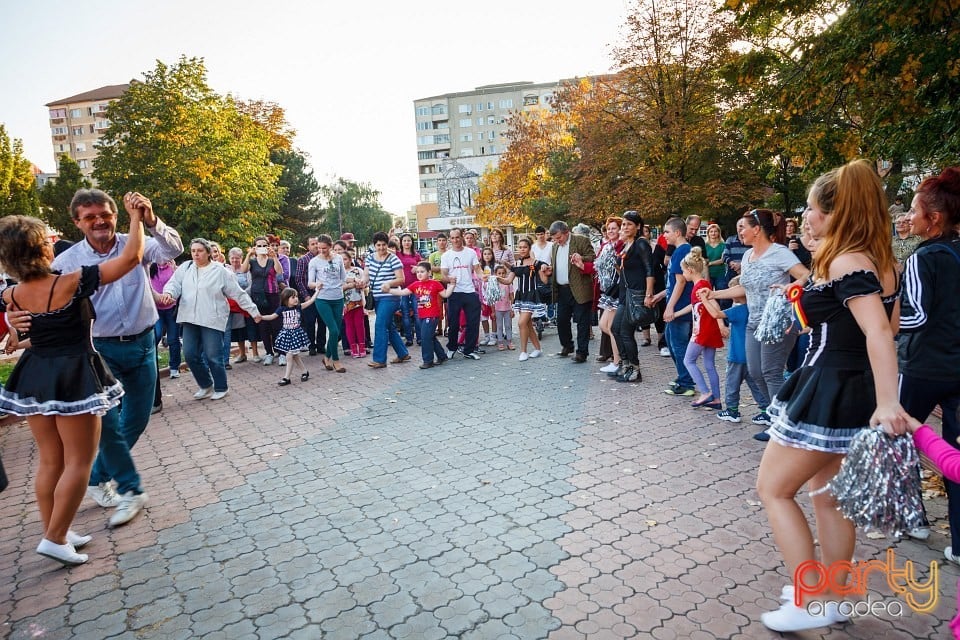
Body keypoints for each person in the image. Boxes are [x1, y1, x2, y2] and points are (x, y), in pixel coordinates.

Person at [755, 159, 909, 633]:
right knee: (829, 498)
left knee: (774, 490)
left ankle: (808, 598)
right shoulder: (881, 261)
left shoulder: (847, 261)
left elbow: (880, 333)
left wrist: (889, 403)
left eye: (810, 208)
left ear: (834, 212)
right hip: (849, 387)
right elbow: (892, 325)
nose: (804, 215)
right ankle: (833, 597)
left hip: (830, 386)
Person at [0, 205, 145, 565]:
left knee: (51, 461)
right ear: (42, 249)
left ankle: (57, 530)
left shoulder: (12, 295)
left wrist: (8, 315)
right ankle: (53, 538)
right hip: (75, 374)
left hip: (36, 374)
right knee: (80, 461)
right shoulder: (71, 281)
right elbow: (131, 259)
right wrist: (136, 217)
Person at [44, 189, 183, 528]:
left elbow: (173, 249)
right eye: (89, 217)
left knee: (137, 418)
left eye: (104, 214)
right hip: (101, 350)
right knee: (108, 425)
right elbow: (45, 300)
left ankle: (96, 476)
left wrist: (149, 219)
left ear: (115, 216)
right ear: (77, 222)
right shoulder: (67, 262)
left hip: (144, 343)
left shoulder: (134, 241)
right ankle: (130, 489)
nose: (99, 222)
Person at [898, 166, 960, 561]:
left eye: (916, 211)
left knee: (900, 439)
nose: (910, 218)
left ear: (933, 219)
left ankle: (913, 518)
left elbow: (916, 316)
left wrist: (876, 321)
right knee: (954, 450)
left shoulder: (924, 258)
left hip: (921, 368)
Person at [708, 209, 810, 439]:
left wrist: (791, 287)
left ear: (757, 229)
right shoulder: (747, 256)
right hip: (754, 323)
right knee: (754, 371)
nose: (739, 232)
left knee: (771, 371)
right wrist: (715, 294)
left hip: (777, 322)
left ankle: (779, 423)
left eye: (743, 227)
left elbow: (806, 275)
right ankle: (782, 412)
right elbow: (744, 288)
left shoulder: (779, 253)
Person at [159, 239, 261, 401]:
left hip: (212, 318)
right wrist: (169, 294)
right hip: (189, 318)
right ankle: (206, 385)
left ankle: (221, 387)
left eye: (199, 250)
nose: (196, 254)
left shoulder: (220, 271)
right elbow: (174, 284)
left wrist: (253, 311)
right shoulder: (186, 268)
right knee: (190, 354)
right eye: (193, 251)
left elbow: (237, 293)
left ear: (208, 252)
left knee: (213, 355)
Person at [698, 276, 769, 423]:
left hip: (736, 355)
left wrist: (705, 300)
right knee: (756, 384)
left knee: (731, 384)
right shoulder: (756, 308)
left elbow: (716, 314)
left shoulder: (738, 311)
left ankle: (732, 411)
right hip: (753, 355)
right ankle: (766, 410)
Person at [611, 211, 655, 383]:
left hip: (637, 294)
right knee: (616, 329)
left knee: (625, 332)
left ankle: (635, 368)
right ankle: (625, 363)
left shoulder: (641, 244)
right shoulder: (625, 246)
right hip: (625, 293)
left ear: (638, 226)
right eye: (623, 224)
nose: (625, 227)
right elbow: (622, 271)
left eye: (629, 224)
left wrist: (648, 294)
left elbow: (649, 270)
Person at [388, 261, 455, 368]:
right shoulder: (415, 284)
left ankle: (428, 360)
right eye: (418, 272)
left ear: (429, 272)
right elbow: (403, 292)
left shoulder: (435, 283)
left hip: (432, 315)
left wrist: (452, 285)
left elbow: (445, 294)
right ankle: (442, 356)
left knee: (425, 337)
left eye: (422, 272)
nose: (419, 274)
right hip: (422, 315)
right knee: (430, 336)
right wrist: (389, 290)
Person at [548, 220, 596, 363]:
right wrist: (550, 270)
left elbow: (593, 258)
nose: (557, 241)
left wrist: (581, 258)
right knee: (562, 320)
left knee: (582, 322)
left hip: (580, 288)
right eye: (554, 239)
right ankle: (567, 345)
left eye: (559, 238)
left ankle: (582, 352)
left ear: (566, 232)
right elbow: (556, 264)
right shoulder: (555, 247)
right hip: (562, 289)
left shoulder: (581, 241)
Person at [682, 248, 723, 407]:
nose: (683, 274)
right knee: (709, 364)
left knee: (688, 360)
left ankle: (705, 392)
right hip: (708, 329)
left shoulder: (700, 285)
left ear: (690, 270)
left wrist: (720, 323)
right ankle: (717, 399)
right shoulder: (702, 284)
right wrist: (677, 313)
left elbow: (713, 303)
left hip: (702, 330)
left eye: (683, 271)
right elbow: (695, 306)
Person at [661, 217, 696, 396]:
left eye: (667, 232)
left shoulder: (681, 251)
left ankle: (687, 383)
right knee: (671, 340)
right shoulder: (681, 250)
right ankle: (684, 376)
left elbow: (680, 282)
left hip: (679, 307)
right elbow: (673, 284)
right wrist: (660, 296)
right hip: (675, 304)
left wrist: (670, 307)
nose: (664, 235)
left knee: (678, 344)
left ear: (677, 232)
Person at [365, 232, 411, 368]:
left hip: (391, 296)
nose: (381, 248)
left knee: (379, 325)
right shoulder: (369, 258)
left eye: (383, 245)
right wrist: (361, 282)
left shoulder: (394, 259)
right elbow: (367, 276)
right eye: (378, 245)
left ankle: (379, 359)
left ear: (387, 244)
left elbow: (401, 279)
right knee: (388, 325)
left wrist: (389, 284)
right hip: (377, 297)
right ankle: (402, 353)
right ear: (374, 245)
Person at [441, 228, 485, 360]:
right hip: (454, 292)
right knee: (453, 323)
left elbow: (477, 269)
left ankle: (469, 350)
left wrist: (484, 277)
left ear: (462, 238)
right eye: (453, 238)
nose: (455, 240)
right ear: (450, 239)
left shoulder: (470, 252)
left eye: (457, 237)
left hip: (470, 291)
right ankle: (452, 348)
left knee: (473, 322)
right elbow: (443, 274)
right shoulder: (446, 256)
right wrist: (449, 279)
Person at [308, 234, 349, 373]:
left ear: (330, 247)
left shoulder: (338, 258)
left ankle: (326, 357)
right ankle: (336, 361)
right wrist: (316, 284)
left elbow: (344, 277)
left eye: (324, 248)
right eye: (319, 248)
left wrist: (356, 282)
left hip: (338, 298)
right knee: (334, 330)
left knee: (336, 333)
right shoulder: (314, 262)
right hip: (322, 299)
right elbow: (310, 283)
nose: (321, 250)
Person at [260, 287, 318, 384]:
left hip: (295, 334)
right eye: (293, 297)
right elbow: (272, 316)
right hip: (287, 334)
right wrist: (261, 317)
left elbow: (311, 301)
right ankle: (304, 372)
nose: (296, 299)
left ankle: (287, 378)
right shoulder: (282, 309)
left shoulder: (299, 307)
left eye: (296, 297)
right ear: (286, 299)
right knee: (295, 356)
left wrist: (317, 291)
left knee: (289, 356)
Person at [242, 236, 282, 366]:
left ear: (268, 246)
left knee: (276, 324)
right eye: (258, 246)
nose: (261, 248)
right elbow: (243, 270)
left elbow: (279, 272)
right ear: (255, 247)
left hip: (273, 293)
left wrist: (274, 256)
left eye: (263, 245)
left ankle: (280, 352)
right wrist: (248, 254)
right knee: (263, 324)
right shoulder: (252, 262)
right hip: (258, 294)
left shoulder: (271, 260)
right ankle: (269, 353)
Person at [595, 216, 624, 371]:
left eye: (614, 228)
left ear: (620, 229)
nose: (611, 231)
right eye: (609, 228)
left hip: (618, 288)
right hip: (608, 290)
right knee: (603, 325)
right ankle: (623, 354)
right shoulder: (606, 246)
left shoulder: (621, 246)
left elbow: (622, 268)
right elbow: (596, 267)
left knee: (612, 327)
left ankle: (617, 361)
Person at [225, 247, 260, 364]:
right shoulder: (226, 270)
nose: (235, 260)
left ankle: (255, 353)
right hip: (233, 305)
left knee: (251, 328)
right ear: (229, 258)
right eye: (232, 258)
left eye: (237, 258)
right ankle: (242, 353)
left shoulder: (247, 268)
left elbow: (251, 284)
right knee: (238, 330)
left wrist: (242, 296)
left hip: (247, 302)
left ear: (241, 258)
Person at [294, 236, 326, 357]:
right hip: (308, 294)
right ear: (308, 246)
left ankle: (321, 345)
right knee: (310, 321)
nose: (315, 246)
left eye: (317, 243)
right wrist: (306, 295)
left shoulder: (324, 258)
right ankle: (311, 345)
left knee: (322, 320)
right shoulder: (303, 260)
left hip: (322, 293)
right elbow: (298, 279)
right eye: (312, 244)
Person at [150, 259, 180, 379]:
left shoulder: (172, 267)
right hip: (156, 308)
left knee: (173, 338)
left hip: (171, 308)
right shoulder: (150, 267)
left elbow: (178, 284)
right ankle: (154, 367)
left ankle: (174, 367)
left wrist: (174, 270)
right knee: (155, 336)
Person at [396, 233, 423, 347]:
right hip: (403, 288)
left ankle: (420, 338)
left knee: (417, 313)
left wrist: (417, 268)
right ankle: (409, 338)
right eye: (404, 241)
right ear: (401, 243)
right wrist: (390, 235)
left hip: (416, 288)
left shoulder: (416, 255)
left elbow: (424, 268)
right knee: (405, 314)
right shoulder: (397, 254)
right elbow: (384, 247)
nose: (407, 243)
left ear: (412, 242)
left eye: (409, 240)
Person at [492, 264, 514, 350]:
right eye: (499, 273)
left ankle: (509, 342)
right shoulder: (494, 285)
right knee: (499, 326)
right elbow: (492, 299)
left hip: (507, 309)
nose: (501, 275)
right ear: (495, 274)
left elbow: (512, 297)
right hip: (498, 310)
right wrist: (493, 311)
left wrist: (512, 309)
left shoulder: (508, 284)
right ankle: (500, 342)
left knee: (508, 326)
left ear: (506, 274)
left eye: (503, 273)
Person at [704, 224, 727, 290]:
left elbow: (722, 260)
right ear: (708, 233)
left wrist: (710, 263)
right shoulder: (704, 246)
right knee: (708, 293)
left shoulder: (723, 245)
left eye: (715, 231)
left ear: (719, 233)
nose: (713, 233)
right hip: (707, 274)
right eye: (711, 231)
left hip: (720, 274)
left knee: (721, 294)